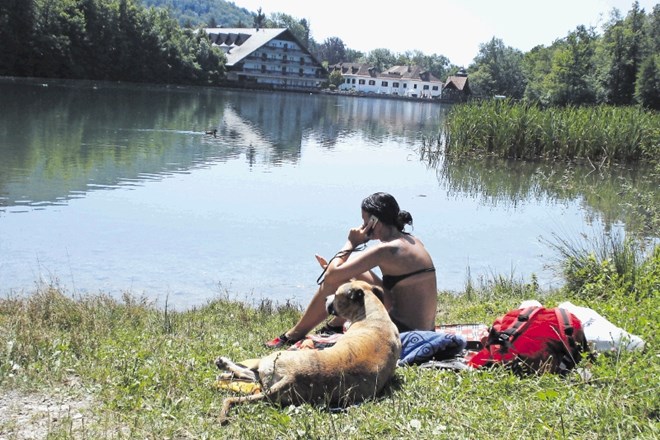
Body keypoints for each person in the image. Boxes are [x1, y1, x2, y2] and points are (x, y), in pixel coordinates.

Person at [265, 192, 438, 348]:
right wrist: (340, 272)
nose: (362, 226)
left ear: (374, 221)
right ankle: (334, 325)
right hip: (425, 329)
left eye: (365, 221)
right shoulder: (410, 240)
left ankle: (294, 335)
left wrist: (351, 243)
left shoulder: (386, 250)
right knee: (347, 274)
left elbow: (332, 275)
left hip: (402, 331)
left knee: (334, 278)